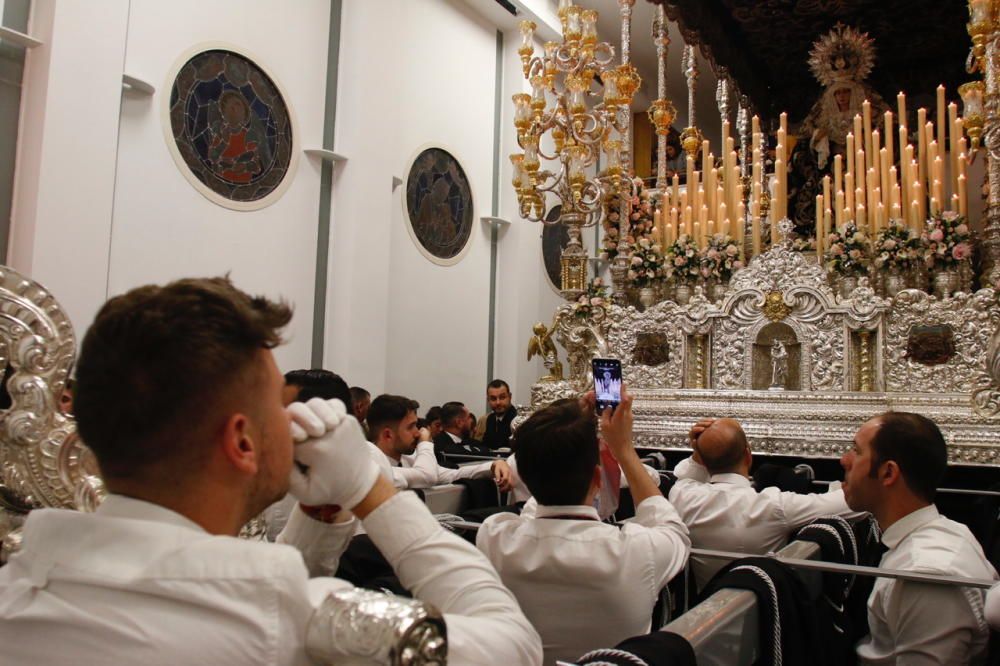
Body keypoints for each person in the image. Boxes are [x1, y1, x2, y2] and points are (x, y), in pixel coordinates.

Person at [0, 277, 542, 665]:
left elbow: (236, 578)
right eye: (274, 410)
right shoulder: (293, 620)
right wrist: (367, 487)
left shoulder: (19, 585)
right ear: (242, 440)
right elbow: (511, 645)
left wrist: (320, 513)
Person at [476, 388, 690, 664]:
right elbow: (670, 524)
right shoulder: (638, 550)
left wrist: (568, 420)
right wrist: (623, 450)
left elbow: (536, 509)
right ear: (597, 478)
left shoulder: (495, 536)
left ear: (525, 478)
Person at [841, 412, 997, 664]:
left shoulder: (926, 573)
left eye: (856, 451)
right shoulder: (944, 532)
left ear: (888, 473)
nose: (844, 460)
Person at [669, 417, 866, 591]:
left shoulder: (682, 495)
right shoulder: (772, 506)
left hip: (701, 609)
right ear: (748, 456)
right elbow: (856, 503)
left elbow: (686, 475)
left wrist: (699, 452)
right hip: (764, 617)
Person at [367, 393, 511, 490]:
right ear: (388, 435)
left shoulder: (408, 459)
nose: (418, 432)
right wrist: (426, 444)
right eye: (410, 427)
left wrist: (492, 466)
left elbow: (452, 474)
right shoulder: (371, 466)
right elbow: (427, 476)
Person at [433, 401, 492, 465]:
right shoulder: (439, 445)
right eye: (468, 417)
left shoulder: (470, 441)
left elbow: (486, 450)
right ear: (459, 423)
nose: (471, 421)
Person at [475, 379, 517, 450]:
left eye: (502, 397)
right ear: (488, 400)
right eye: (493, 398)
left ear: (510, 397)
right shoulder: (490, 419)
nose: (498, 402)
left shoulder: (517, 419)